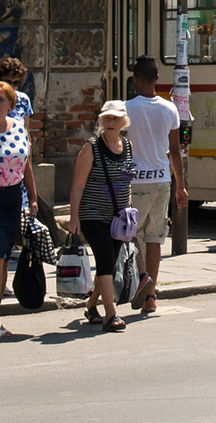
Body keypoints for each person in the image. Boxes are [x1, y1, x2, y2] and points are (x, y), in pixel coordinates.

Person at [66, 100, 136, 333]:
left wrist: (130, 214)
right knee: (105, 259)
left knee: (110, 262)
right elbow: (77, 185)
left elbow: (127, 183)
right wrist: (73, 217)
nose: (110, 122)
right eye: (106, 118)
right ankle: (111, 315)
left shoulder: (127, 145)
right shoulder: (91, 148)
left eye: (115, 118)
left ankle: (91, 305)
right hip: (92, 214)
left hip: (119, 218)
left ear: (123, 122)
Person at [125, 56, 187, 315]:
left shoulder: (125, 108)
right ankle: (151, 296)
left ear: (135, 79)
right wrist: (180, 186)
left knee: (131, 235)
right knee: (155, 238)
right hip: (162, 180)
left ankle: (141, 278)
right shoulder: (169, 108)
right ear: (157, 79)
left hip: (135, 181)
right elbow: (175, 150)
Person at [0, 82, 38, 340]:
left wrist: (33, 197)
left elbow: (26, 164)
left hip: (12, 199)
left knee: (2, 257)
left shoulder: (18, 130)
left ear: (11, 105)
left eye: (1, 100)